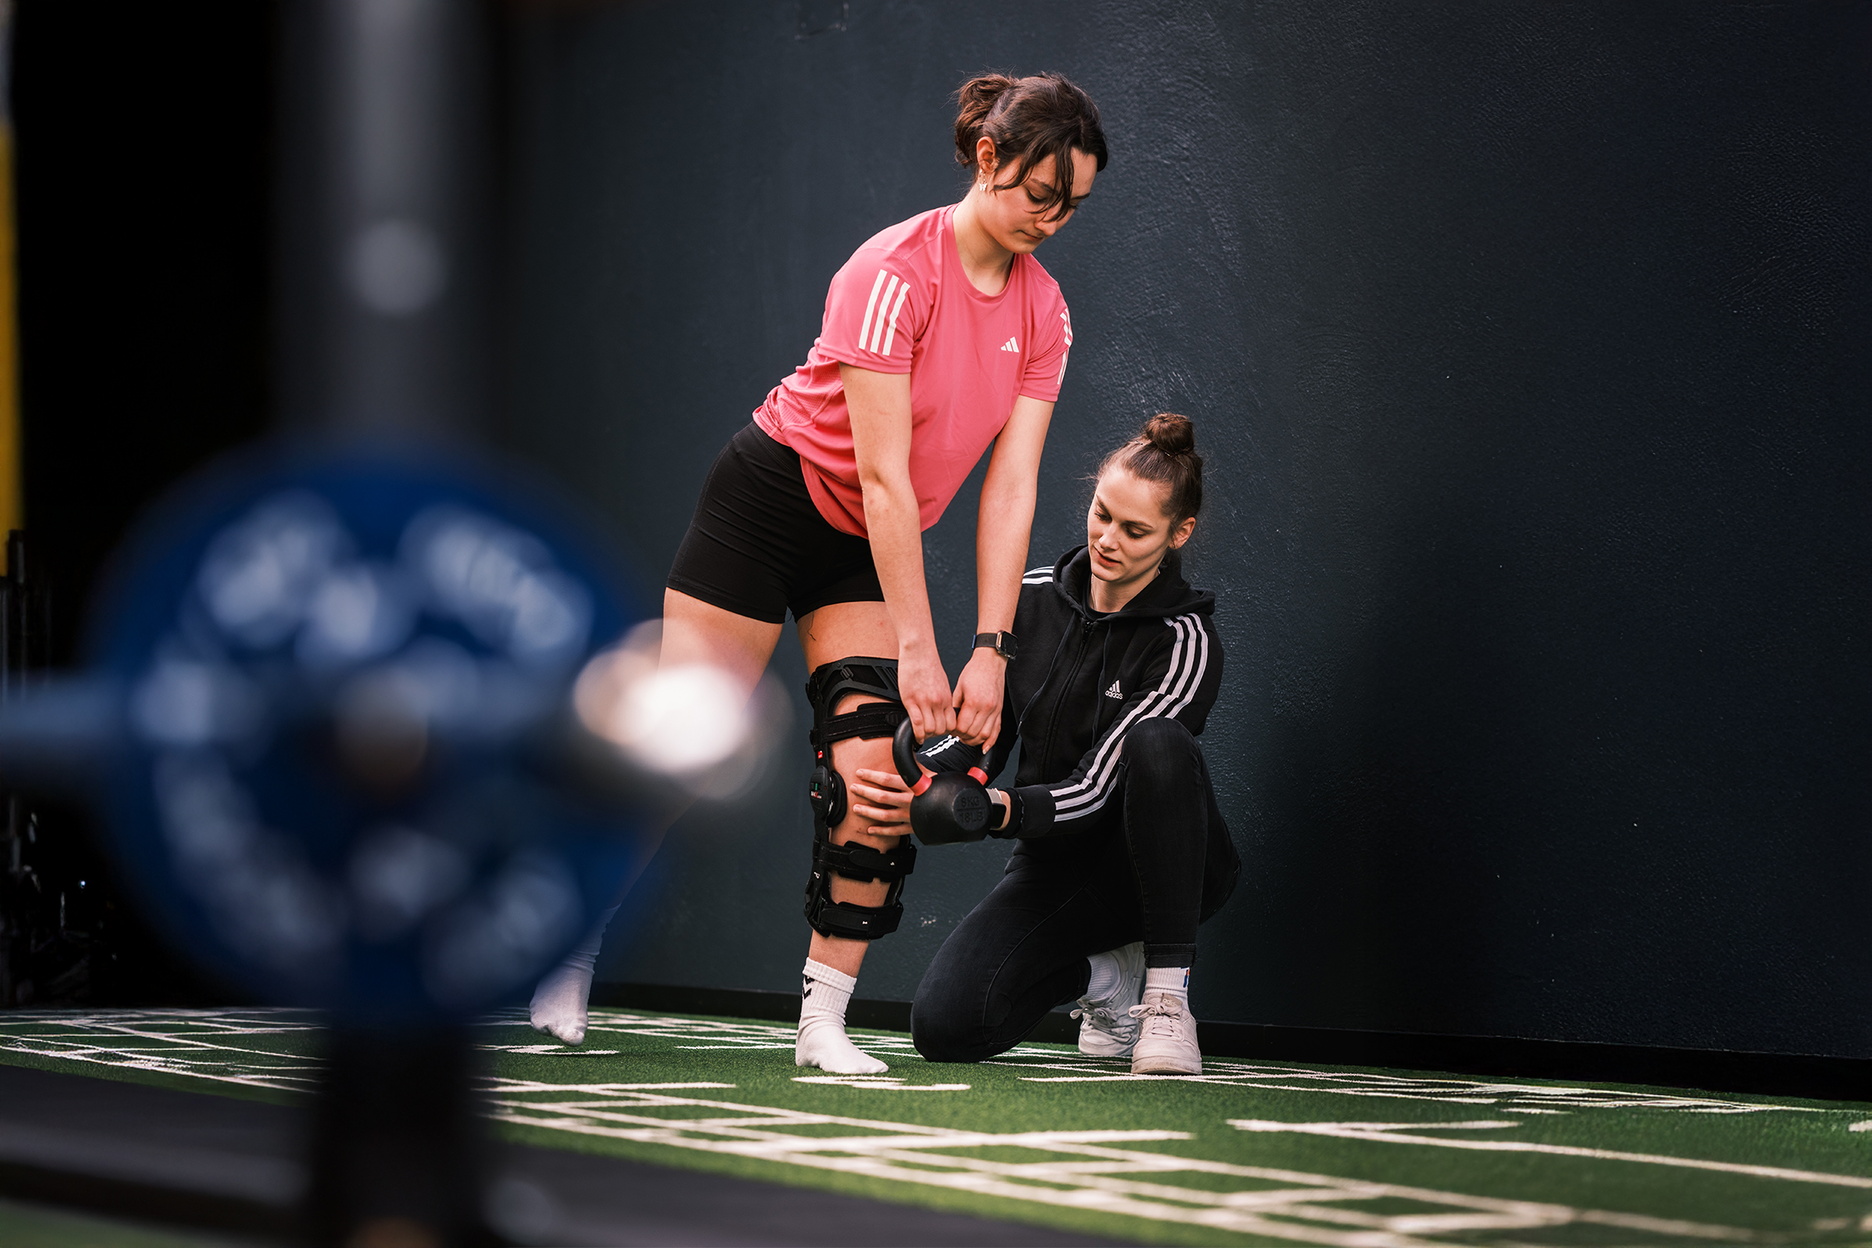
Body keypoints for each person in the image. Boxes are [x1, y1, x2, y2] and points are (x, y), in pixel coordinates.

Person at [528, 72, 1109, 1075]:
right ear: (987, 159)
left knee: (874, 779)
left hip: (862, 545)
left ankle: (822, 1021)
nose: (1053, 220)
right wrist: (923, 654)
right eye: (1039, 194)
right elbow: (882, 478)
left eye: (1073, 204)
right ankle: (569, 940)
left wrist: (992, 651)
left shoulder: (1044, 315)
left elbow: (1009, 492)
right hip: (769, 503)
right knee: (678, 750)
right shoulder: (890, 271)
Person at [896, 413, 1238, 1075]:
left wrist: (1000, 811)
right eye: (1101, 513)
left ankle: (1167, 1001)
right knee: (945, 1027)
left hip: (1159, 871)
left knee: (1159, 744)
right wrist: (930, 753)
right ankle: (1106, 981)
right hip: (1052, 865)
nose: (1108, 540)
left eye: (1135, 530)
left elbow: (1098, 785)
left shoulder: (1185, 640)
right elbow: (982, 746)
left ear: (1178, 534)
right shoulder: (1027, 601)